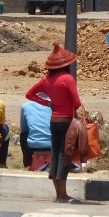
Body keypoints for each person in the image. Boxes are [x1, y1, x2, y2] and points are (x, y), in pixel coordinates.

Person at [25, 42, 84, 203]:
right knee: (65, 156)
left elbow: (29, 94)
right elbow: (77, 103)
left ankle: (59, 194)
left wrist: (48, 103)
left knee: (55, 156)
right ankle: (63, 195)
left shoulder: (46, 80)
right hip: (67, 122)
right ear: (66, 65)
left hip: (54, 122)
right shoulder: (68, 78)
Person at [19, 98, 52, 169]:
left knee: (23, 135)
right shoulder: (55, 105)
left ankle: (28, 163)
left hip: (33, 144)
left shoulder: (25, 106)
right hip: (53, 144)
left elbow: (24, 129)